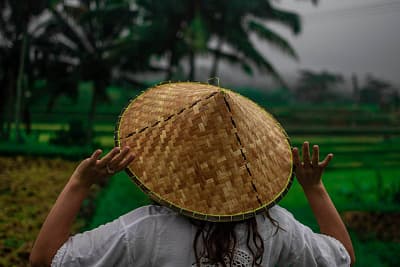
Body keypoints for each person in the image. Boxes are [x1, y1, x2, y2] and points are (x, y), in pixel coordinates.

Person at [30, 83, 355, 267]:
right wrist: (315, 188)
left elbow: (45, 260)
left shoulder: (144, 230)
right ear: (250, 166)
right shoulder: (277, 227)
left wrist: (78, 183)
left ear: (170, 169)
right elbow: (343, 258)